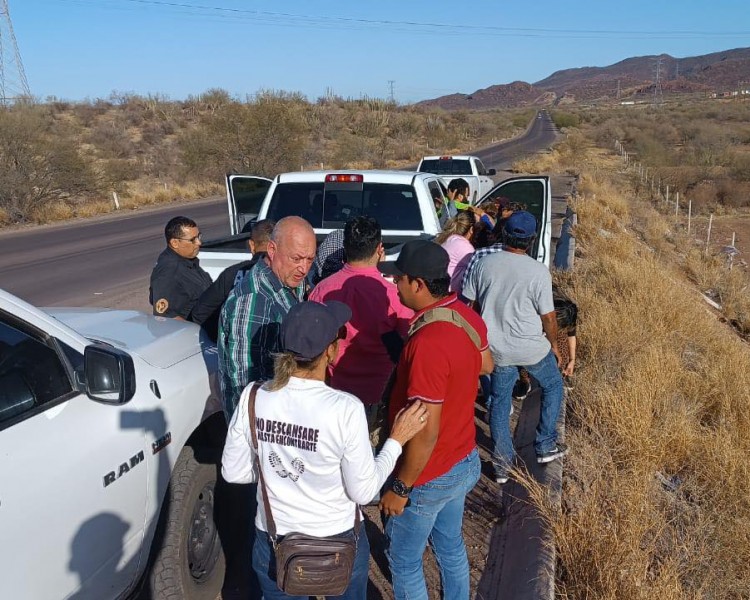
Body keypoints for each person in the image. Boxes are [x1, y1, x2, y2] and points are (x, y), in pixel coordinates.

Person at [221, 300, 429, 600]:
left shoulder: (253, 396)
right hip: (337, 542)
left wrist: (278, 467)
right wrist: (396, 441)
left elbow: (234, 472)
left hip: (273, 540)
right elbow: (364, 491)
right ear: (330, 351)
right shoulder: (345, 408)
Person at [377, 240, 493, 600]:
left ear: (419, 285)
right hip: (462, 458)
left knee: (405, 559)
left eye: (400, 279)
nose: (395, 285)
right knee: (450, 546)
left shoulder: (427, 342)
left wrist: (401, 488)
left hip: (429, 473)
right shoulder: (463, 313)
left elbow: (424, 431)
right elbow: (487, 365)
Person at [462, 211, 567, 482]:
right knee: (553, 385)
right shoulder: (537, 271)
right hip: (531, 347)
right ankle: (545, 445)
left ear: (504, 233)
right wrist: (554, 344)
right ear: (531, 241)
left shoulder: (483, 264)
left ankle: (502, 466)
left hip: (496, 349)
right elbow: (549, 317)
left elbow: (469, 307)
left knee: (499, 403)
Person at [309, 216, 413, 439]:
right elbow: (406, 342)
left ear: (346, 248)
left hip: (331, 393)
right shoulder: (394, 294)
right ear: (379, 248)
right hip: (378, 394)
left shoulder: (321, 291)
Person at [217, 216, 315, 422]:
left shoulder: (287, 280)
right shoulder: (253, 301)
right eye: (296, 259)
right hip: (263, 432)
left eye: (310, 260)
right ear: (272, 250)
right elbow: (245, 387)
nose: (304, 269)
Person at [189, 219, 274, 342]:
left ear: (251, 245)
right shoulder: (290, 275)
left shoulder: (231, 274)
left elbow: (199, 313)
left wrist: (223, 338)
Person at [149, 216, 212, 319]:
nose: (199, 243)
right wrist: (197, 334)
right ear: (175, 243)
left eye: (199, 237)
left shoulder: (187, 261)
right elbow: (167, 319)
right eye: (193, 240)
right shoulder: (169, 271)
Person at [435, 210, 478, 295]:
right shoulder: (465, 247)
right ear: (471, 229)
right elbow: (477, 270)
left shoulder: (451, 239)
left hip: (440, 288)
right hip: (449, 293)